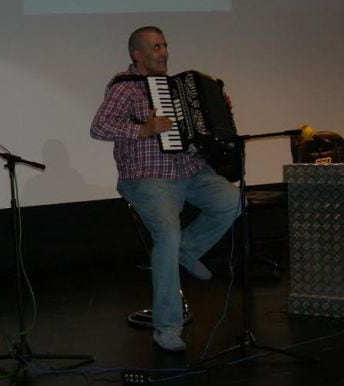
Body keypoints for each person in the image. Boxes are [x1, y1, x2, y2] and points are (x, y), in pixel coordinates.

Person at [90, 26, 240, 352]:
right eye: (156, 47)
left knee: (232, 200)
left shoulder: (177, 86)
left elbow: (201, 127)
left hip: (190, 170)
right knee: (168, 236)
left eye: (165, 46)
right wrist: (144, 129)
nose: (164, 53)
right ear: (138, 55)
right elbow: (99, 127)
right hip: (147, 177)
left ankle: (188, 250)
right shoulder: (124, 87)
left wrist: (218, 110)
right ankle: (167, 328)